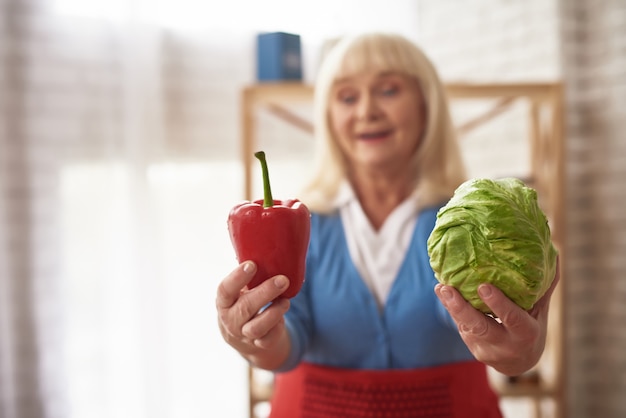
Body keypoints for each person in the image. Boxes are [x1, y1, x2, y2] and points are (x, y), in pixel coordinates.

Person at [216, 32, 559, 417]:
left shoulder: (465, 226)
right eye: (347, 97)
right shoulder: (300, 223)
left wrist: (516, 353)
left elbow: (479, 330)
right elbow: (286, 340)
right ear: (329, 118)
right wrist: (254, 341)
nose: (366, 111)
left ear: (427, 106)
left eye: (388, 91)